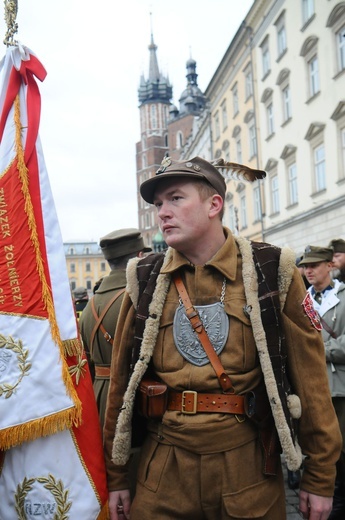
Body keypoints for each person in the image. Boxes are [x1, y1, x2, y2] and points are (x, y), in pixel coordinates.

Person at [103, 156, 341, 520]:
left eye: (176, 199)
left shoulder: (271, 270)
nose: (162, 212)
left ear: (214, 204)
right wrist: (116, 475)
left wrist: (320, 476)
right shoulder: (145, 277)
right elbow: (121, 383)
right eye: (158, 204)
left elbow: (312, 382)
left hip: (247, 471)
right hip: (163, 474)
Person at [79, 228, 151, 430]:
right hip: (131, 399)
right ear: (139, 257)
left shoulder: (88, 308)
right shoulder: (139, 301)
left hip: (97, 398)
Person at [298, 245, 345, 519]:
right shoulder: (301, 299)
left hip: (338, 389)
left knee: (339, 448)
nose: (308, 270)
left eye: (315, 265)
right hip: (308, 388)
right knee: (313, 447)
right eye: (306, 266)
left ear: (330, 265)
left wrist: (315, 350)